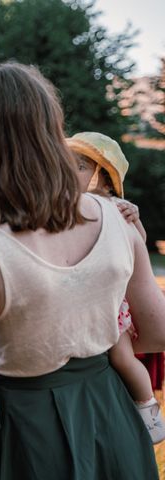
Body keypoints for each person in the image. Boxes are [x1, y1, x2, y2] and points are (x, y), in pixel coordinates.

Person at [0, 63, 165, 479]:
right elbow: (157, 332)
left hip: (24, 437)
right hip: (110, 421)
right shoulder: (115, 216)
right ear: (51, 130)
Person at [68, 131, 165, 443]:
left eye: (81, 167)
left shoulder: (116, 206)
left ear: (106, 180)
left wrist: (134, 216)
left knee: (122, 357)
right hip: (83, 302)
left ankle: (148, 410)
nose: (70, 171)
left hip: (112, 304)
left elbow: (139, 239)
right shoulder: (68, 205)